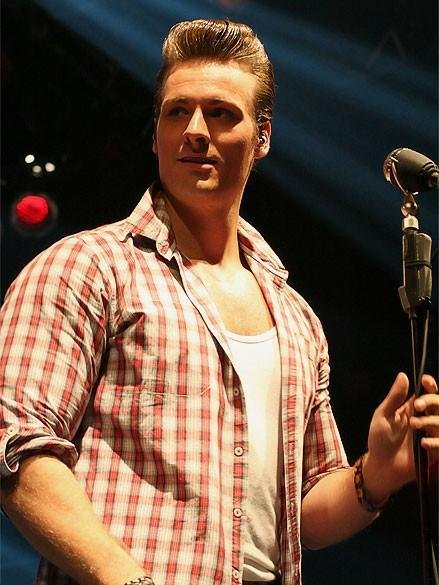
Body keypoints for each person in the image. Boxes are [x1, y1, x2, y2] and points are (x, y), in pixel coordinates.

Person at [0, 18, 437, 585]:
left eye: (221, 113)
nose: (194, 131)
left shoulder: (296, 318)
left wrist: (376, 475)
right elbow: (18, 447)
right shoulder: (85, 268)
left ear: (263, 137)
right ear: (155, 134)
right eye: (176, 111)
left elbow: (300, 514)